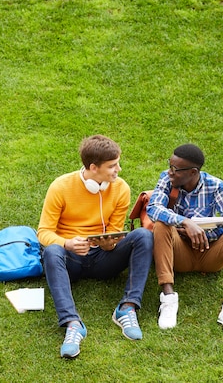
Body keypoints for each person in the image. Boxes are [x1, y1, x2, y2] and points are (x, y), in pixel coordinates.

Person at [37, 134, 153, 359]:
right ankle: (72, 324)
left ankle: (126, 308)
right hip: (70, 259)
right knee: (51, 251)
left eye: (117, 163)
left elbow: (113, 229)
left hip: (102, 258)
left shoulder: (121, 189)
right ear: (93, 167)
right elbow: (43, 232)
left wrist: (110, 245)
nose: (118, 169)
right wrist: (66, 243)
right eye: (112, 166)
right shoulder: (60, 187)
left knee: (143, 236)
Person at [146, 143, 223, 339]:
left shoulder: (216, 185)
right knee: (160, 225)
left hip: (209, 253)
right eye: (170, 165)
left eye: (175, 169)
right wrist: (185, 224)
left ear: (192, 172)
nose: (170, 172)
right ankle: (168, 298)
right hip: (179, 254)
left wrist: (203, 234)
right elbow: (153, 209)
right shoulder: (166, 179)